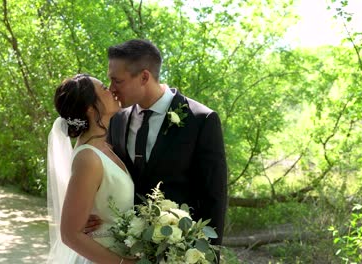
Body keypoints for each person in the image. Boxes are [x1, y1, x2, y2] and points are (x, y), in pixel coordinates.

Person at [87, 39, 228, 245]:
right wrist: (89, 211)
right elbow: (103, 174)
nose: (111, 89)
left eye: (118, 81)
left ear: (144, 77)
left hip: (177, 248)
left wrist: (206, 254)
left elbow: (214, 197)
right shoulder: (116, 119)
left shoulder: (201, 120)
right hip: (122, 243)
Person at [47, 74, 135, 263]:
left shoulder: (104, 147)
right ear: (89, 108)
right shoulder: (88, 158)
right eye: (104, 88)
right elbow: (70, 235)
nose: (111, 90)